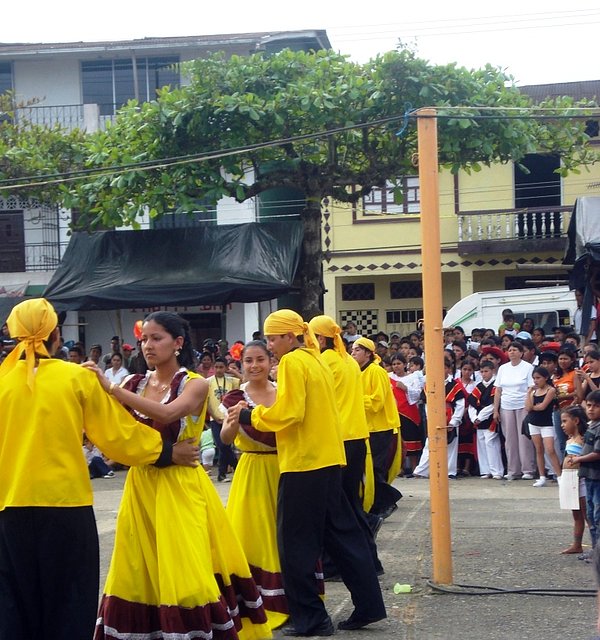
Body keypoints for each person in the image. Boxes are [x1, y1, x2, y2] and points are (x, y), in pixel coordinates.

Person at [0, 299, 199, 640]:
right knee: (69, 602)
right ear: (56, 335)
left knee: (13, 604)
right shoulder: (76, 378)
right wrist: (166, 452)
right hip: (65, 506)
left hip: (8, 508)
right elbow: (117, 436)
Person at [88, 312, 271, 640]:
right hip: (141, 485)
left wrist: (110, 389)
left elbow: (170, 413)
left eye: (156, 338)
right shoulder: (135, 384)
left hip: (180, 486)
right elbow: (113, 430)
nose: (148, 345)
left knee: (186, 569)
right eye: (144, 339)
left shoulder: (194, 383)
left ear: (178, 343)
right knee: (140, 568)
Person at [228, 310, 386, 636]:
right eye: (268, 339)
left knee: (295, 544)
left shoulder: (291, 362)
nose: (271, 345)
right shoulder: (317, 358)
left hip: (303, 463)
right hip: (329, 459)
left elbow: (290, 411)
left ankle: (312, 619)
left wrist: (250, 416)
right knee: (342, 535)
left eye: (273, 338)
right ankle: (369, 605)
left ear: (290, 336)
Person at [220, 340, 290, 630]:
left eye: (260, 359)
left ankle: (290, 598)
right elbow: (225, 439)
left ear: (270, 361)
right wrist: (235, 418)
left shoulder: (284, 393)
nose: (255, 366)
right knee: (252, 534)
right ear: (241, 365)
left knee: (281, 533)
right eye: (249, 361)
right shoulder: (236, 397)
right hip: (250, 470)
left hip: (283, 468)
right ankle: (253, 600)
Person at [308, 315, 383, 577]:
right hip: (356, 439)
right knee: (350, 505)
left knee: (335, 508)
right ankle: (370, 561)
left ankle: (335, 564)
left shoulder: (324, 361)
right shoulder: (349, 361)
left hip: (338, 440)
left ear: (319, 338)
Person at [351, 336, 402, 519]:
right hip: (367, 427)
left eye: (357, 350)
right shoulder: (358, 372)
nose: (353, 353)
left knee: (376, 468)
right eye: (353, 349)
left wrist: (354, 400)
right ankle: (378, 503)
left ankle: (386, 502)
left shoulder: (376, 371)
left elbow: (377, 402)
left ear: (367, 353)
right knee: (369, 469)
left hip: (381, 426)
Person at [414, 352, 465, 479]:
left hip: (450, 417)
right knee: (430, 443)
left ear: (448, 369)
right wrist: (430, 417)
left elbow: (460, 405)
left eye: (443, 367)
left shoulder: (455, 385)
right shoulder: (431, 384)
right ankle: (422, 471)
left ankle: (449, 472)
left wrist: (454, 421)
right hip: (434, 416)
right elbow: (426, 403)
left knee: (451, 445)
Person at [493, 341, 536, 481]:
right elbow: (498, 390)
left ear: (521, 352)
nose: (511, 352)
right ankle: (513, 469)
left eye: (515, 350)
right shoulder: (503, 368)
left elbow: (531, 388)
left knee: (524, 438)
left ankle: (528, 469)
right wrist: (496, 410)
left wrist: (528, 405)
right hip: (506, 406)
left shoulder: (528, 367)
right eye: (509, 350)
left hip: (522, 405)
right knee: (509, 440)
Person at [567, 391, 600, 563]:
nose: (591, 409)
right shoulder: (592, 425)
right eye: (589, 405)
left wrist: (579, 458)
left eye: (596, 406)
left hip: (597, 477)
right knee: (592, 517)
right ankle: (595, 550)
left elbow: (597, 453)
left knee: (597, 515)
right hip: (589, 477)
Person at [559, 405, 589, 554]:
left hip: (580, 480)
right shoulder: (570, 439)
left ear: (576, 421)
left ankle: (596, 546)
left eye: (565, 421)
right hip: (569, 479)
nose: (562, 425)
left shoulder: (583, 439)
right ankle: (577, 544)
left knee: (587, 514)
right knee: (576, 514)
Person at [524, 366, 561, 486]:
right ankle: (542, 476)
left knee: (550, 450)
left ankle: (559, 475)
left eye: (538, 378)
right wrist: (529, 394)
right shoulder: (533, 391)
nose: (535, 381)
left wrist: (534, 407)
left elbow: (543, 406)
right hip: (533, 422)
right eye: (534, 378)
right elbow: (528, 407)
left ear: (545, 378)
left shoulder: (551, 390)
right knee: (539, 450)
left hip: (546, 423)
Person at [468, 360, 504, 479]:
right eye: (482, 371)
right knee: (481, 444)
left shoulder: (495, 386)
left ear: (493, 371)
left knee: (491, 443)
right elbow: (472, 404)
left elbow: (493, 404)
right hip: (478, 420)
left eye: (486, 371)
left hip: (489, 419)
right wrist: (473, 418)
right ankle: (485, 470)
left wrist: (480, 417)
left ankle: (497, 471)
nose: (484, 374)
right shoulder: (479, 386)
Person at [206, 356, 240, 482]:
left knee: (225, 446)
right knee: (222, 446)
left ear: (225, 368)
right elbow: (207, 401)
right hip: (215, 419)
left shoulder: (231, 381)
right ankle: (236, 466)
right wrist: (214, 416)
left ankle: (222, 474)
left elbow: (244, 381)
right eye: (216, 367)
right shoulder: (208, 381)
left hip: (229, 418)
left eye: (221, 367)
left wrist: (233, 371)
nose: (219, 370)